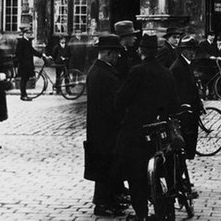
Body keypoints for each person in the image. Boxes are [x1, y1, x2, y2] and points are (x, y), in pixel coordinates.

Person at [114, 34, 179, 221]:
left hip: (137, 132)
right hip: (160, 132)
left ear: (141, 51)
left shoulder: (137, 71)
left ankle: (141, 214)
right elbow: (174, 104)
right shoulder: (167, 73)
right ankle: (163, 205)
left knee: (135, 174)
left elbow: (120, 100)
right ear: (157, 52)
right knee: (160, 170)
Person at [84, 34, 126, 217]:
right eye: (116, 53)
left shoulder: (100, 70)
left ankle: (110, 199)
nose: (118, 57)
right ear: (108, 53)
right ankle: (101, 204)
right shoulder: (102, 73)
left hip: (102, 128)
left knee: (109, 166)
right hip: (104, 128)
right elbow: (111, 103)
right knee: (104, 168)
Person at [169, 37, 204, 160]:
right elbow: (178, 91)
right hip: (185, 111)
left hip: (191, 109)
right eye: (190, 50)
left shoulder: (186, 64)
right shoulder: (178, 67)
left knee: (190, 139)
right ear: (183, 51)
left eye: (194, 50)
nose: (193, 53)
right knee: (186, 140)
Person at [14, 26, 45, 101]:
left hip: (28, 64)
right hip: (24, 65)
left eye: (29, 33)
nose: (29, 34)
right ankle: (23, 95)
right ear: (24, 34)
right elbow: (18, 54)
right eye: (27, 33)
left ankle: (24, 94)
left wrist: (41, 55)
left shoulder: (28, 41)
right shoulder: (21, 42)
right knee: (23, 79)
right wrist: (22, 62)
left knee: (26, 78)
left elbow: (32, 51)